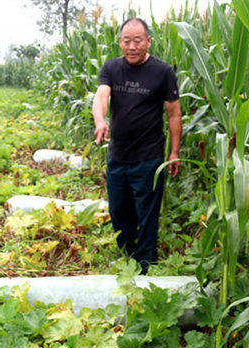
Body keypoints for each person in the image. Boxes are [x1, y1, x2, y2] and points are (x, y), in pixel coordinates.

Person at [92, 17, 182, 274]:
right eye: (126, 41)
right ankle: (128, 256)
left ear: (148, 41)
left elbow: (174, 114)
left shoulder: (163, 72)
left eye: (137, 41)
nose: (131, 46)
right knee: (119, 211)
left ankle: (146, 266)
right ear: (120, 42)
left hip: (149, 157)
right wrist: (100, 120)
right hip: (118, 156)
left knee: (147, 215)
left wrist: (174, 152)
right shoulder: (111, 68)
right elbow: (101, 96)